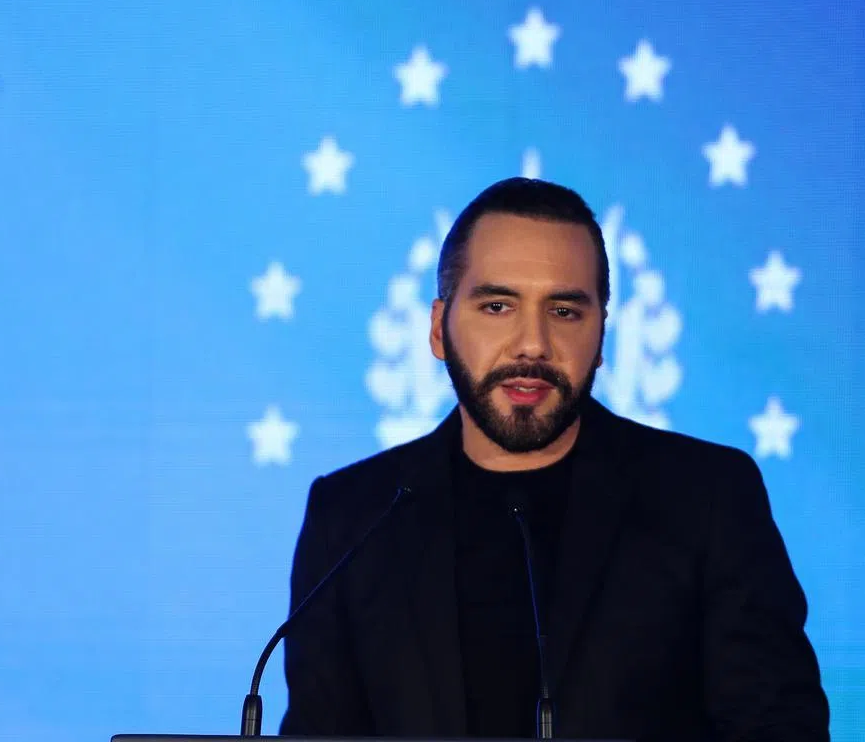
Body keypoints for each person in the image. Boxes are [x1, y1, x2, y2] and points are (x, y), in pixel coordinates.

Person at [279, 177, 830, 741]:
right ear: (438, 329)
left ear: (602, 333)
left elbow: (778, 727)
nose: (532, 345)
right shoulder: (352, 517)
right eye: (497, 306)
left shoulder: (707, 498)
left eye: (564, 311)